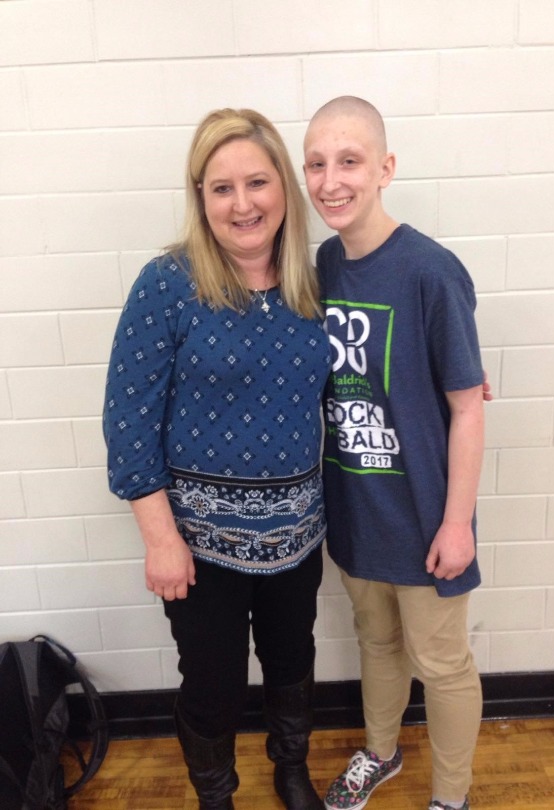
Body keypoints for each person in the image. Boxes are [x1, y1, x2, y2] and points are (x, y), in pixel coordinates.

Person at [103, 108, 330, 810]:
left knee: (293, 664)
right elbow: (127, 421)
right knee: (213, 682)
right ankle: (216, 792)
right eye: (221, 187)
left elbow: (366, 370)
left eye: (257, 182)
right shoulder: (167, 284)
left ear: (284, 188)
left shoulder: (316, 282)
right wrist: (161, 540)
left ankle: (291, 770)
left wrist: (449, 382)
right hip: (199, 547)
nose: (242, 203)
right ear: (200, 197)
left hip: (299, 536)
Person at [303, 96, 485, 810]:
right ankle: (380, 754)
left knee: (441, 663)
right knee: (375, 642)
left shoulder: (430, 272)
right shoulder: (323, 262)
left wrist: (457, 522)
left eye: (348, 161)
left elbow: (468, 408)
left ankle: (452, 797)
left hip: (423, 516)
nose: (330, 181)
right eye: (316, 164)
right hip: (354, 510)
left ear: (385, 169)